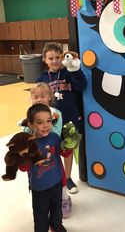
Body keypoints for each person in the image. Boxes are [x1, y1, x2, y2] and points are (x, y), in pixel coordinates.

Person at [36, 42, 87, 194]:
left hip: (70, 119)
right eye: (50, 58)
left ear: (62, 57)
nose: (55, 61)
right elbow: (37, 99)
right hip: (50, 122)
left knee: (68, 149)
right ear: (45, 60)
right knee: (52, 149)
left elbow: (82, 86)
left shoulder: (68, 72)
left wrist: (75, 71)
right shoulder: (41, 78)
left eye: (57, 57)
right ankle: (56, 177)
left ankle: (68, 177)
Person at [18, 83, 72, 218]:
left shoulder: (55, 113)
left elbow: (56, 132)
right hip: (36, 154)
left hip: (51, 150)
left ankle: (64, 199)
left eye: (42, 96)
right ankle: (44, 204)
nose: (39, 99)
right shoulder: (31, 114)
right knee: (39, 178)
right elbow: (25, 133)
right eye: (35, 96)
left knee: (59, 178)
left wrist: (41, 129)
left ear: (49, 97)